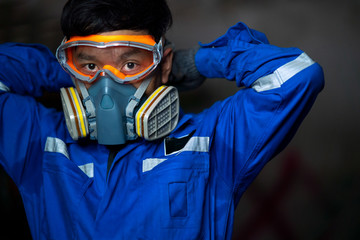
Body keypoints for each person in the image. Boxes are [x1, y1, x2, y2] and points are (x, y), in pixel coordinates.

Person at [0, 0, 324, 239]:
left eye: (130, 64)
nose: (107, 87)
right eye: (90, 67)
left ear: (163, 64)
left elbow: (296, 76)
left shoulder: (210, 143)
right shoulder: (41, 143)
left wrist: (198, 61)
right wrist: (62, 71)